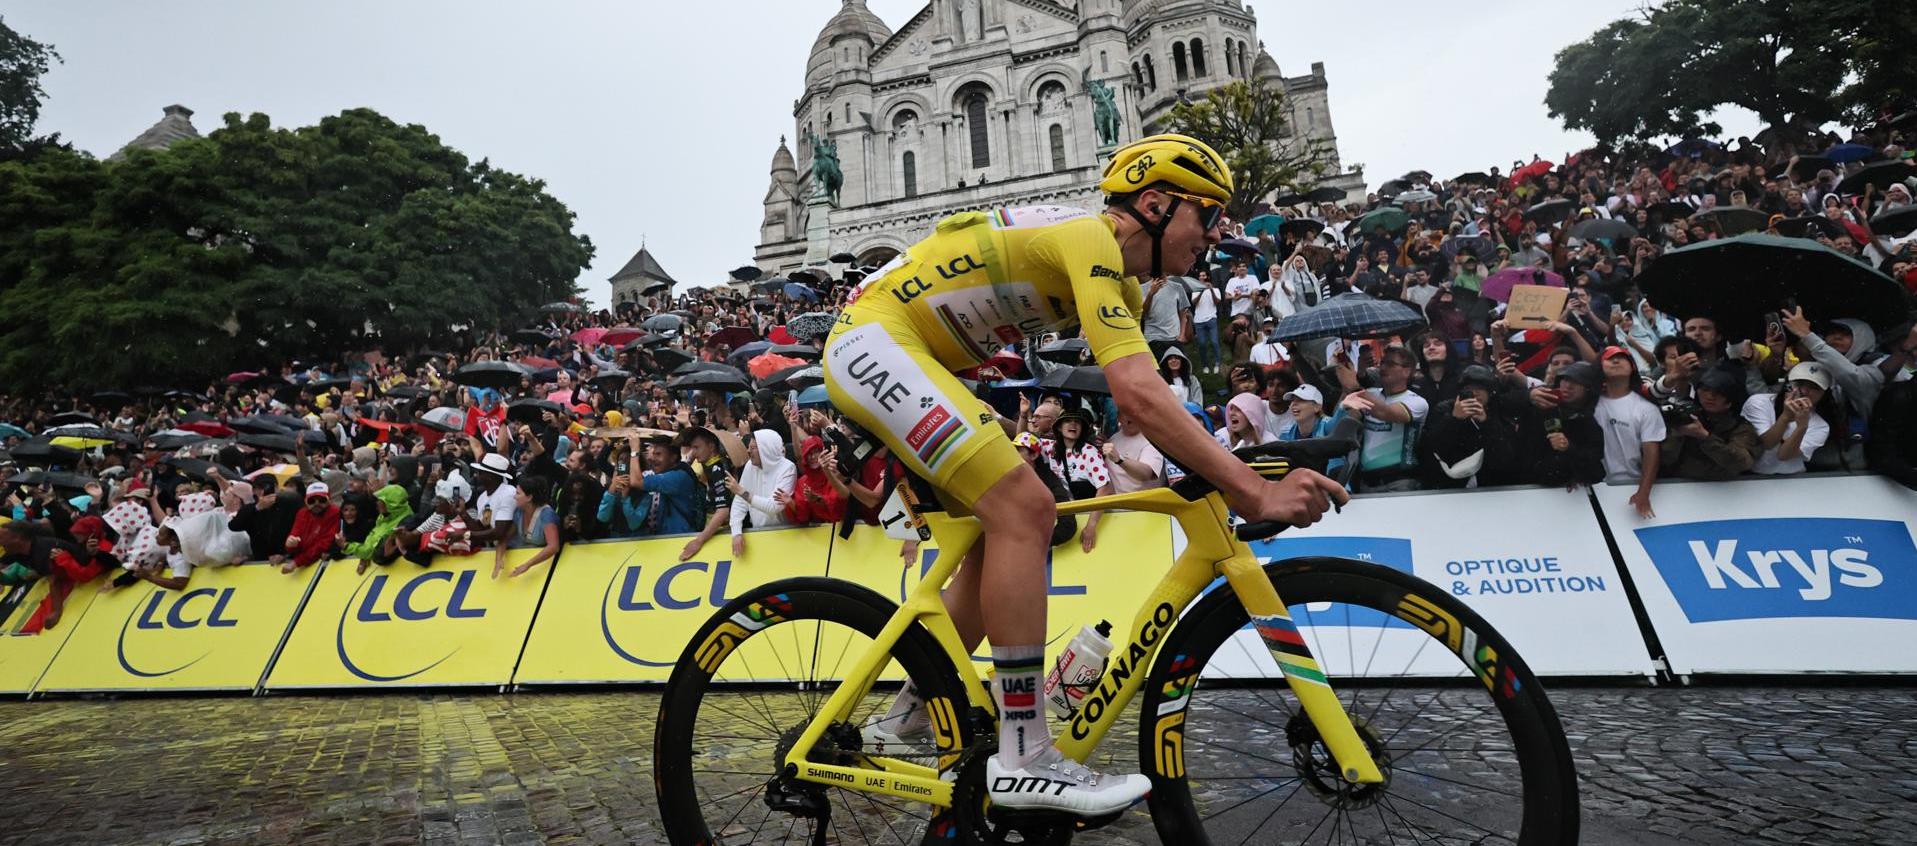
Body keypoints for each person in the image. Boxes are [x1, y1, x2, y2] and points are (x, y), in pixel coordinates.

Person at [823, 134, 1345, 815]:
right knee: (1026, 510)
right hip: (874, 338)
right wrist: (1252, 489)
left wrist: (1232, 463)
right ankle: (1023, 755)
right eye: (1207, 214)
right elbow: (1138, 397)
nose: (1217, 233)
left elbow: (1147, 394)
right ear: (1154, 205)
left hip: (918, 354)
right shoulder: (1089, 237)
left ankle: (909, 712)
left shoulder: (1122, 282)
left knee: (996, 535)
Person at [1336, 346, 1429, 492]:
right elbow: (1344, 419)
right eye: (1382, 362)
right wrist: (1346, 388)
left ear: (1407, 371)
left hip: (1401, 481)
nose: (1383, 367)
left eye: (1391, 364)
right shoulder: (1370, 393)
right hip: (1367, 481)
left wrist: (1354, 388)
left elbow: (1387, 413)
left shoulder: (1417, 402)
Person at [1593, 347, 1663, 517]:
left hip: (1631, 486)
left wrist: (1643, 493)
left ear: (1632, 367)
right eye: (1610, 359)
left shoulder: (1646, 409)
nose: (1616, 361)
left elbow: (1652, 453)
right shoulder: (1588, 404)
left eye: (1622, 358)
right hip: (1593, 488)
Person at [1659, 368, 1760, 480]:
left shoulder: (1740, 427)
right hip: (1680, 486)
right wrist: (1677, 435)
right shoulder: (1685, 417)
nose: (1710, 396)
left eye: (1718, 393)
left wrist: (1704, 437)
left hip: (1726, 488)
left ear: (1730, 400)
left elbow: (1741, 462)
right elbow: (1662, 460)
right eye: (1705, 390)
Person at [1742, 362, 1834, 476]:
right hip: (1751, 478)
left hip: (1792, 479)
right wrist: (1785, 417)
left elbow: (1784, 455)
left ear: (1823, 394)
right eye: (1799, 384)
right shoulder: (1759, 402)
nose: (1805, 391)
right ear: (1787, 384)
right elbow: (1766, 443)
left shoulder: (1821, 426)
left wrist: (1802, 427)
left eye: (1814, 388)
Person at [725, 429, 796, 556]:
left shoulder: (787, 468)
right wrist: (736, 533)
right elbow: (740, 503)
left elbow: (774, 506)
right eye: (748, 447)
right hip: (757, 534)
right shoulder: (750, 466)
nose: (748, 451)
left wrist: (742, 491)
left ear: (765, 449)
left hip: (785, 536)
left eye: (753, 448)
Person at [782, 436, 846, 525]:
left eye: (816, 452)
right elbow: (803, 518)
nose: (812, 457)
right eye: (808, 453)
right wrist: (791, 503)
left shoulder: (835, 474)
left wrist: (818, 500)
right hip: (815, 535)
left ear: (823, 452)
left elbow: (839, 508)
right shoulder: (802, 482)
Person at [503, 478, 560, 577]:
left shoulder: (547, 514)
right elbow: (505, 538)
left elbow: (553, 547)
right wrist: (499, 558)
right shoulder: (519, 512)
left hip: (546, 567)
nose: (514, 497)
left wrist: (528, 564)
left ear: (529, 497)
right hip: (524, 562)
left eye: (518, 493)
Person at [281, 482, 341, 573]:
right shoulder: (302, 513)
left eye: (322, 500)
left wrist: (296, 562)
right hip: (304, 564)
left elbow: (324, 544)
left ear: (329, 500)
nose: (317, 504)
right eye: (311, 501)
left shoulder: (334, 512)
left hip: (324, 565)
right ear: (306, 501)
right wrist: (290, 544)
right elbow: (294, 537)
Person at [1101, 410, 1165, 494]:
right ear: (1118, 417)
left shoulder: (1151, 439)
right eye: (1126, 412)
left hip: (1139, 504)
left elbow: (1146, 473)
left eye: (1135, 413)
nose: (1131, 416)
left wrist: (1119, 459)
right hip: (1114, 503)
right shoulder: (1114, 438)